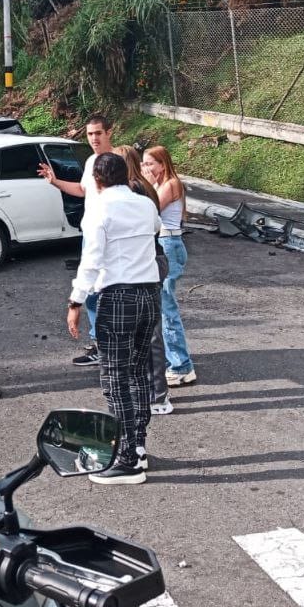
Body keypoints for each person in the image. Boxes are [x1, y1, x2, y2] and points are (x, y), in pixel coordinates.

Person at [66, 152, 161, 485]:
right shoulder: (145, 205)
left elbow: (90, 261)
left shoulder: (99, 210)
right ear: (126, 175)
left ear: (97, 180)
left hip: (117, 296)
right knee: (137, 373)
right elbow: (155, 230)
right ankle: (138, 445)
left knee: (113, 378)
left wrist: (75, 301)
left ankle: (126, 459)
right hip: (150, 295)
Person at [37, 112, 114, 367]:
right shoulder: (91, 161)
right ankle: (99, 344)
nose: (93, 138)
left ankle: (116, 345)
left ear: (108, 133)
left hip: (111, 236)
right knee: (91, 290)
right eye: (90, 134)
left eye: (98, 133)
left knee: (111, 291)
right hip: (90, 233)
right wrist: (54, 181)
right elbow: (82, 191)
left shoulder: (118, 161)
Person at [114, 145, 175, 417]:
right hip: (150, 261)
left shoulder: (136, 191)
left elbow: (149, 228)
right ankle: (151, 390)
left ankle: (158, 394)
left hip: (148, 263)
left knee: (151, 332)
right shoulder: (139, 188)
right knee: (147, 331)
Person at [142, 145, 197, 389]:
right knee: (161, 306)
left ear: (163, 164)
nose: (147, 168)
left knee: (166, 307)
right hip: (164, 242)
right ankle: (173, 361)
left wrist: (146, 183)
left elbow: (150, 209)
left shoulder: (171, 184)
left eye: (150, 164)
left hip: (169, 243)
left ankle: (182, 366)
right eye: (143, 164)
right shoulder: (160, 184)